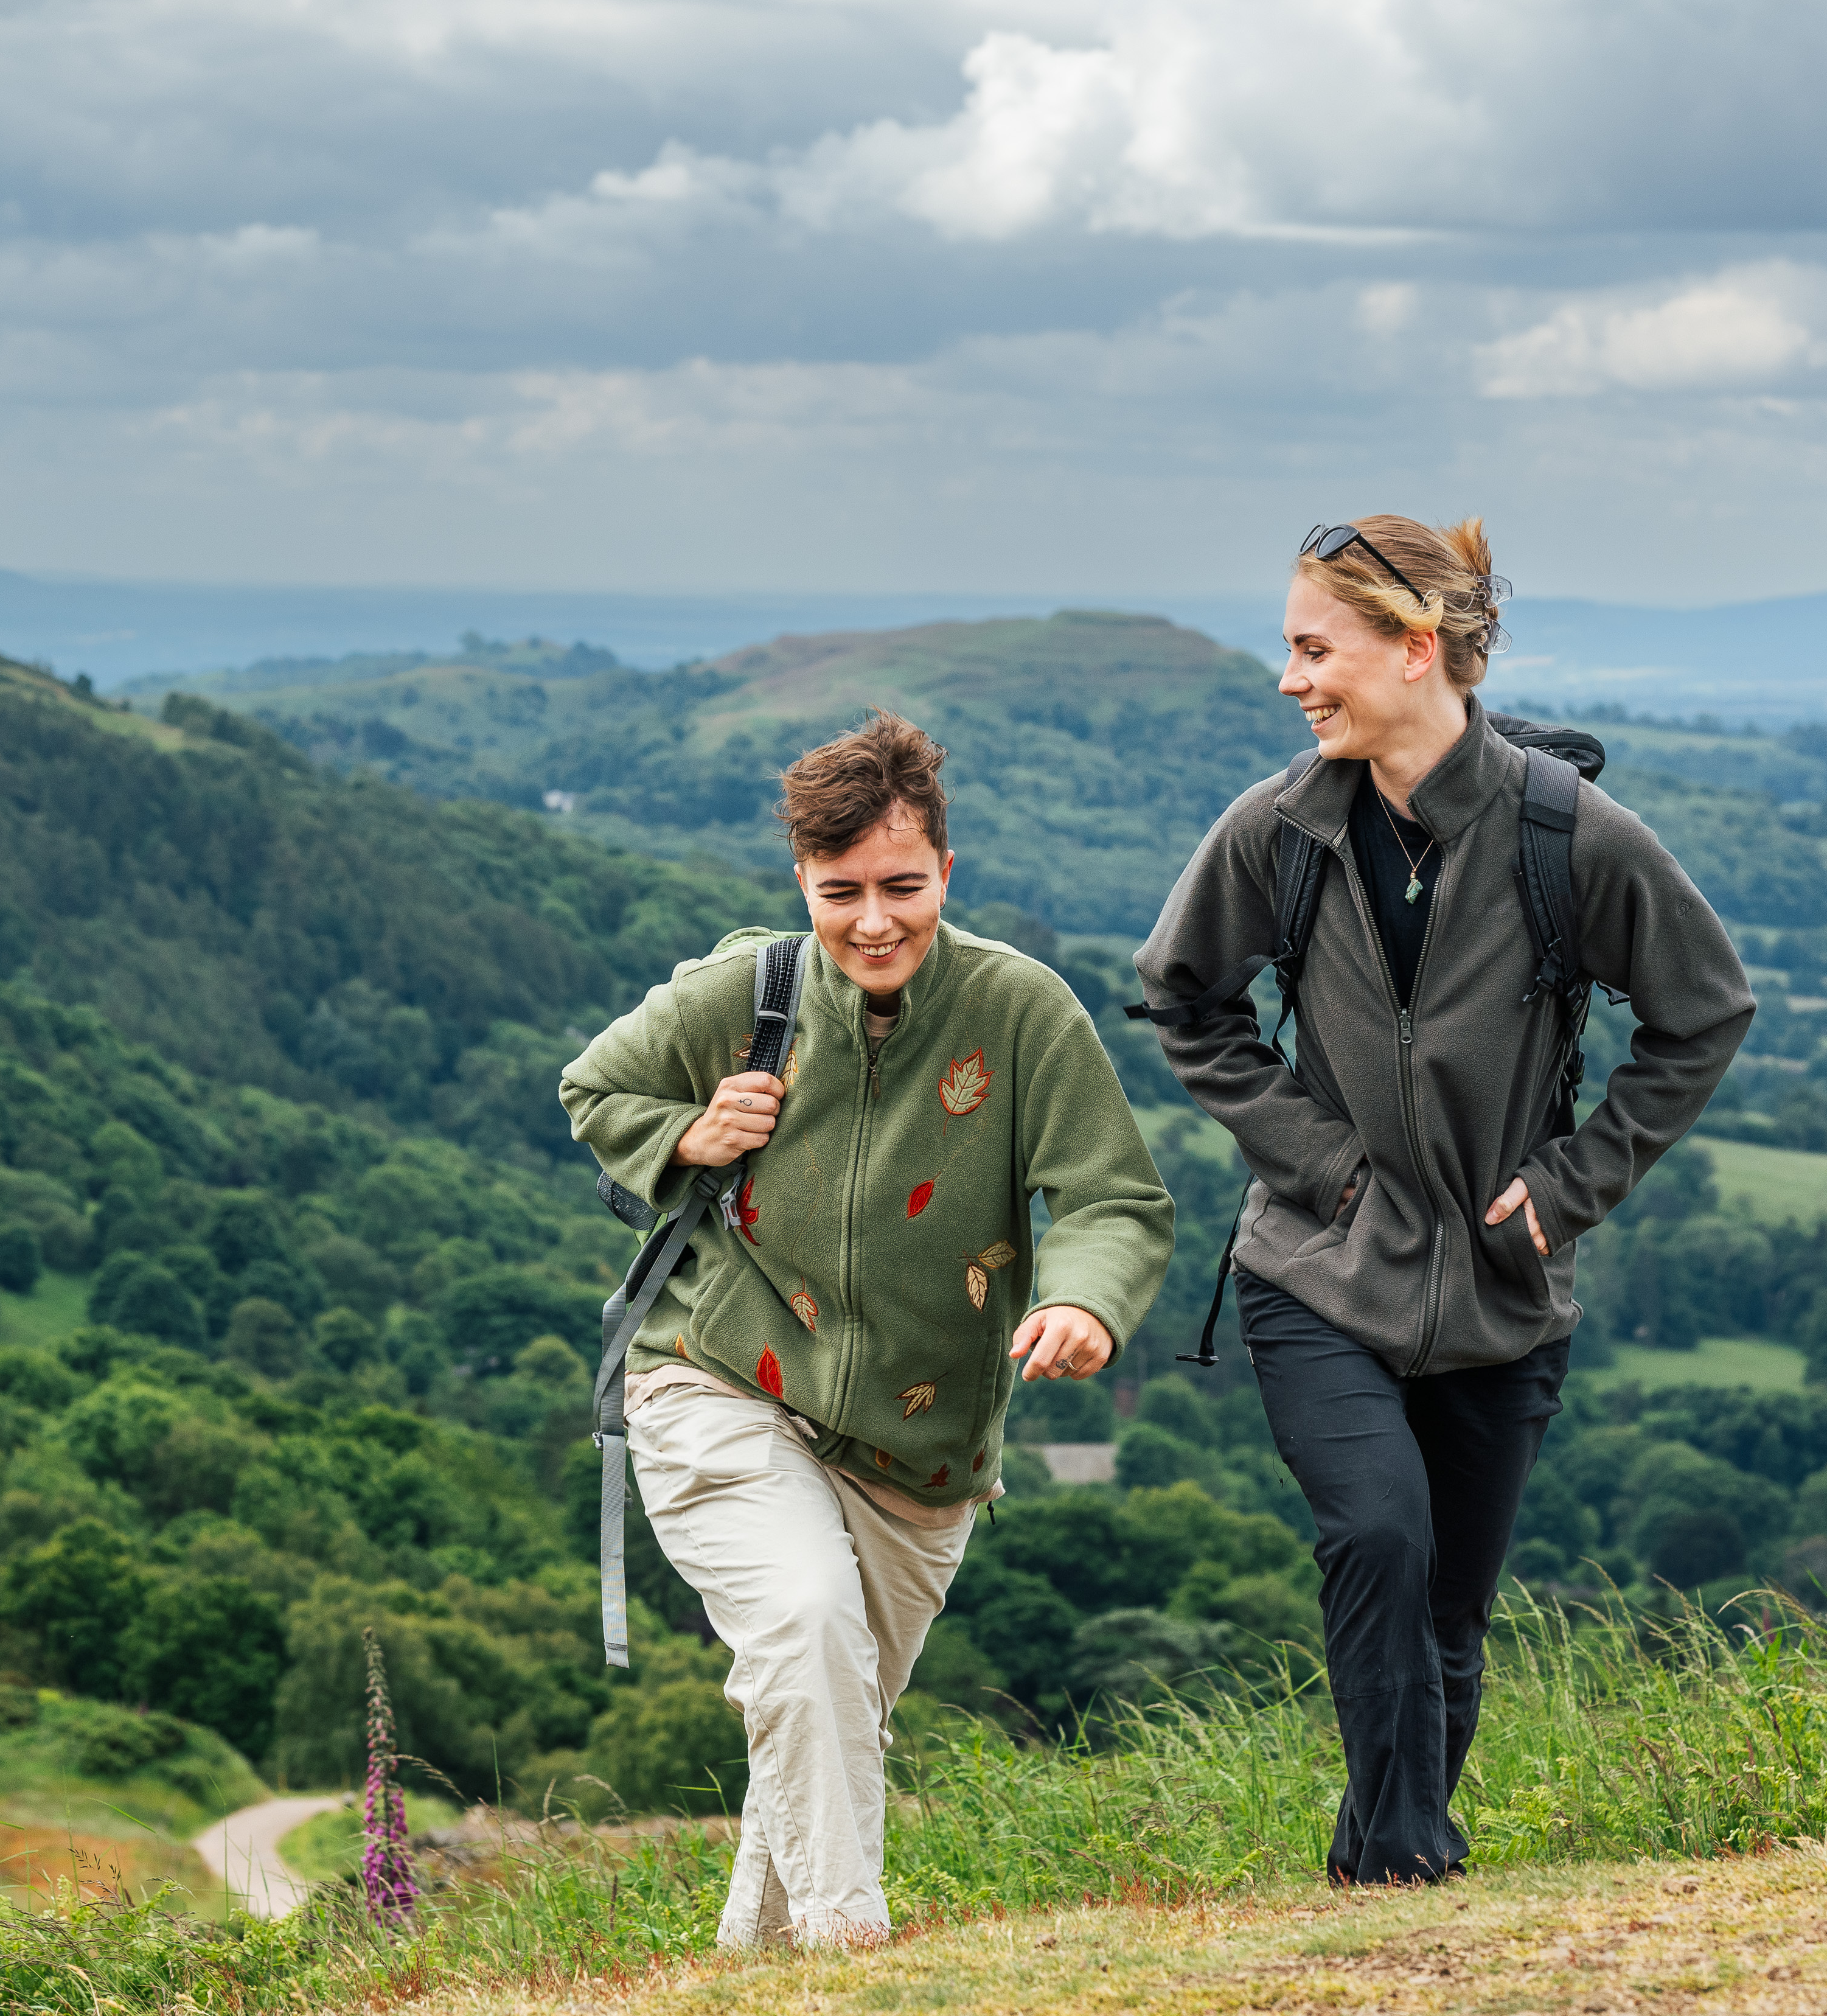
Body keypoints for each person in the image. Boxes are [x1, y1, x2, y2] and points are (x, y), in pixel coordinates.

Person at [1131, 516, 1753, 1886]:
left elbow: (1701, 1014)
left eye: (1313, 647)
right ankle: (1409, 1858)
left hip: (1501, 1291)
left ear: (1415, 651)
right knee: (1377, 1534)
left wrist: (1574, 1182)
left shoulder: (1564, 834)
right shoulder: (1280, 827)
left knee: (1450, 1618)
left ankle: (1372, 1866)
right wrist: (1319, 1162)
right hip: (1313, 1269)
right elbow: (1182, 997)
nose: (1291, 677)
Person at [562, 711, 1174, 1950]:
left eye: (902, 886)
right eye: (839, 891)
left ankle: (756, 1969)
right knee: (800, 1624)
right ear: (802, 882)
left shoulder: (1019, 1010)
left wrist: (1079, 1299)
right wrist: (685, 1134)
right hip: (715, 1374)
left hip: (919, 1451)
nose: (873, 919)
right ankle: (852, 1948)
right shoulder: (746, 991)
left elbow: (1109, 1194)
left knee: (825, 1708)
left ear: (947, 870)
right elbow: (594, 1085)